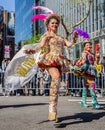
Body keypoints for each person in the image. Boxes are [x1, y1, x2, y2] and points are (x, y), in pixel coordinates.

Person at [24, 14, 78, 122]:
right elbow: (40, 46)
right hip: (49, 59)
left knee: (57, 84)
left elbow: (69, 44)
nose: (55, 24)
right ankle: (52, 110)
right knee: (57, 77)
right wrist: (32, 50)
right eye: (52, 23)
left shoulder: (60, 37)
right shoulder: (47, 35)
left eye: (56, 23)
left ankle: (53, 110)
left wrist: (74, 38)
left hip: (59, 61)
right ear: (48, 25)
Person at [74, 40, 101, 109]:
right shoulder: (84, 53)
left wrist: (97, 56)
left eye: (90, 45)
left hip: (92, 70)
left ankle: (83, 101)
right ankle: (94, 102)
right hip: (87, 70)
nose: (89, 46)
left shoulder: (92, 53)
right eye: (87, 45)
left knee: (85, 86)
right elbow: (83, 60)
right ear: (84, 47)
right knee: (92, 84)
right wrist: (82, 61)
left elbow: (96, 62)